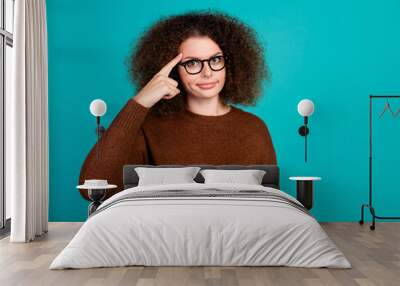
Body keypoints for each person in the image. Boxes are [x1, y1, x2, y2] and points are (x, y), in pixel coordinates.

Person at [78, 11, 277, 200]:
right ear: (173, 71)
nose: (207, 73)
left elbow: (270, 205)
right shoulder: (149, 126)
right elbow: (92, 190)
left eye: (215, 60)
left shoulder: (254, 128)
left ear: (230, 63)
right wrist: (140, 102)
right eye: (192, 63)